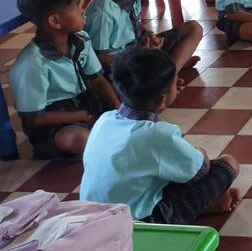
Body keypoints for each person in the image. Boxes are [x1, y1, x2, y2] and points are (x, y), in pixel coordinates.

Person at [81, 48, 240, 223]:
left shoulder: (105, 119)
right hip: (141, 223)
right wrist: (200, 151)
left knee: (167, 170)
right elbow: (199, 170)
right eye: (175, 83)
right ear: (161, 100)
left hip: (93, 217)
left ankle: (207, 204)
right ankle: (206, 206)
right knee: (228, 163)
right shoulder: (158, 134)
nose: (179, 84)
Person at [10, 0, 119, 158]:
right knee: (78, 139)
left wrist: (117, 107)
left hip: (86, 102)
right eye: (77, 8)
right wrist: (81, 115)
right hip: (55, 120)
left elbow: (97, 79)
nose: (83, 12)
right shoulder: (32, 64)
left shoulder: (81, 39)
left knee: (134, 93)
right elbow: (34, 118)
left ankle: (104, 137)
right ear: (55, 21)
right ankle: (101, 142)